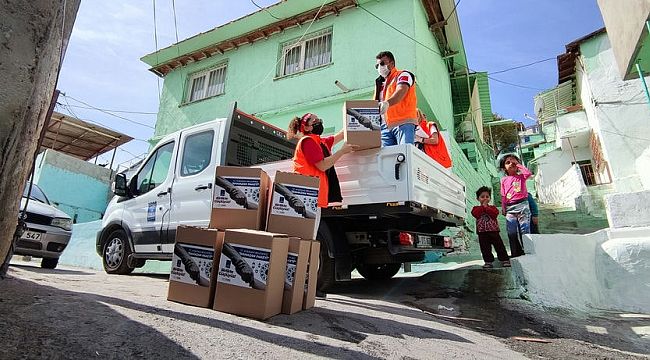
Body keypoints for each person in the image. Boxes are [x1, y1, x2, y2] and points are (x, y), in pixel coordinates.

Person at [288, 113, 356, 208]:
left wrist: (355, 119)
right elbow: (322, 166)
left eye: (319, 120)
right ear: (306, 128)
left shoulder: (320, 142)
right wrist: (342, 151)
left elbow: (341, 134)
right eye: (315, 121)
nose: (319, 122)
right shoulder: (308, 141)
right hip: (308, 195)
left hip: (313, 196)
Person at [373, 51, 418, 147]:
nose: (379, 68)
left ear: (392, 63)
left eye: (382, 64)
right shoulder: (380, 84)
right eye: (377, 66)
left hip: (403, 123)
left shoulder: (403, 75)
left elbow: (401, 90)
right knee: (386, 159)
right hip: (385, 128)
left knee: (404, 155)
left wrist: (387, 103)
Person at [500, 154, 532, 258]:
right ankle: (515, 253)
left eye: (513, 162)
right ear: (504, 167)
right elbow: (503, 195)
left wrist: (518, 165)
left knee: (525, 230)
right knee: (511, 232)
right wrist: (503, 207)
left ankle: (528, 252)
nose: (511, 164)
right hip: (510, 208)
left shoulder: (521, 177)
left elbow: (528, 173)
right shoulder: (503, 180)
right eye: (507, 163)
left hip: (523, 205)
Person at [471, 186, 510, 269]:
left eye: (487, 197)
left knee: (499, 246)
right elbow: (476, 214)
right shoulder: (476, 208)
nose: (485, 198)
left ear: (490, 198)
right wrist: (483, 207)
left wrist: (486, 207)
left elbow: (494, 214)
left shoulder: (493, 208)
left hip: (494, 231)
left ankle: (505, 260)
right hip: (482, 232)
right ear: (478, 199)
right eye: (482, 197)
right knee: (485, 248)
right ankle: (488, 262)